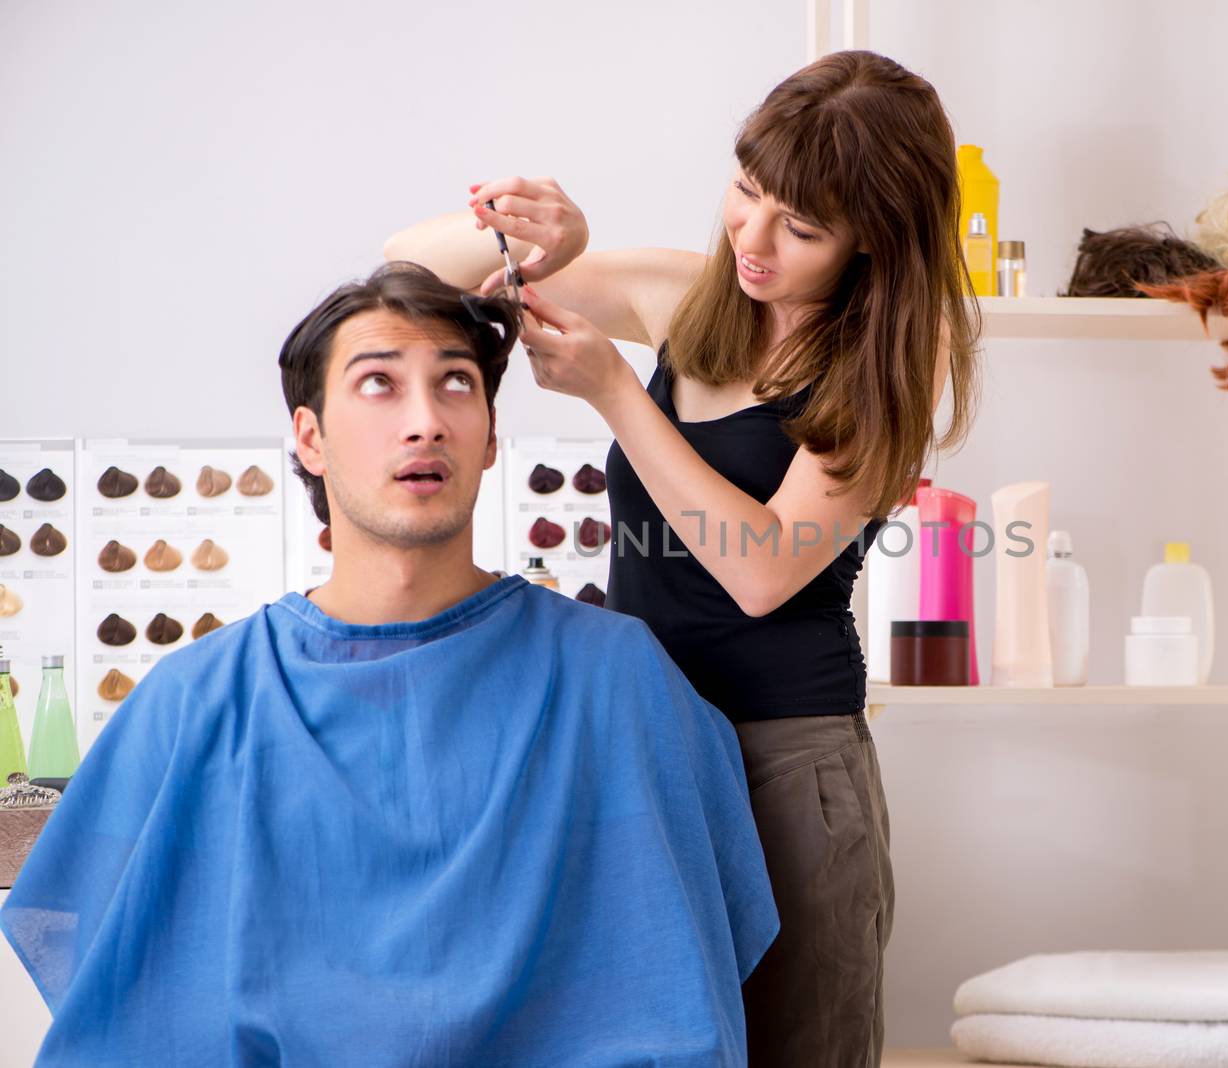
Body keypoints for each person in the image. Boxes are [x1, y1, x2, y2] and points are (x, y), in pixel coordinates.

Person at [0, 263, 778, 1067]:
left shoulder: (616, 682)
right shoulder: (196, 700)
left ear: (490, 440)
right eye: (379, 384)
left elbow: (689, 972)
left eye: (455, 384)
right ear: (310, 438)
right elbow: (87, 952)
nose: (425, 421)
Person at [385, 49, 980, 1065]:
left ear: (873, 243)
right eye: (747, 193)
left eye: (800, 227)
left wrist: (617, 392)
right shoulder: (691, 297)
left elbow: (763, 569)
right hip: (643, 751)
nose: (752, 239)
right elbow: (410, 267)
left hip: (786, 768)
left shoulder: (885, 364)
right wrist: (540, 235)